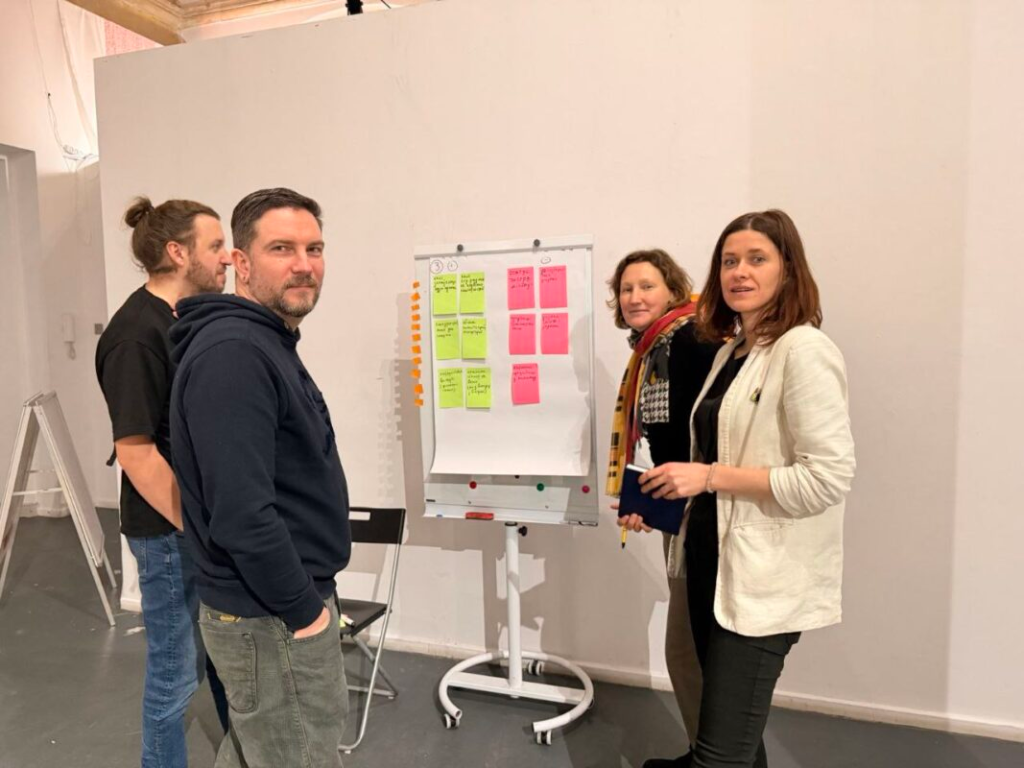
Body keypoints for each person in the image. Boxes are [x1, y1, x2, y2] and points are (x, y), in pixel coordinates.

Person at [640, 210, 856, 768]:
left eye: (757, 259)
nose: (739, 272)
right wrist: (668, 490)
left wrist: (709, 476)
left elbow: (827, 478)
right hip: (710, 562)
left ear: (788, 269)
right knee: (728, 733)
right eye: (729, 261)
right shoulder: (731, 353)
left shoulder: (803, 350)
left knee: (719, 755)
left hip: (763, 577)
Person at [169, 188, 351, 768]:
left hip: (271, 609)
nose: (304, 264)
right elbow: (243, 513)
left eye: (314, 248)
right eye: (282, 248)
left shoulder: (264, 342)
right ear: (241, 263)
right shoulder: (235, 354)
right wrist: (305, 613)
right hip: (271, 614)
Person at [95, 196, 232, 768]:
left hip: (203, 527)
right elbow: (135, 451)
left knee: (224, 660)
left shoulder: (187, 318)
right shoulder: (136, 335)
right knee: (175, 677)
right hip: (169, 535)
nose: (228, 257)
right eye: (216, 245)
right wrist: (192, 526)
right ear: (178, 252)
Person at [605, 249, 720, 765]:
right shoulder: (652, 351)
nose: (634, 297)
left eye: (646, 286)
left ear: (672, 290)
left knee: (689, 652)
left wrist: (689, 488)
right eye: (626, 289)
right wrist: (650, 503)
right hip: (683, 511)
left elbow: (712, 439)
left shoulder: (692, 340)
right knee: (692, 652)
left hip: (708, 518)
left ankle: (710, 757)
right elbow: (672, 443)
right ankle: (705, 752)